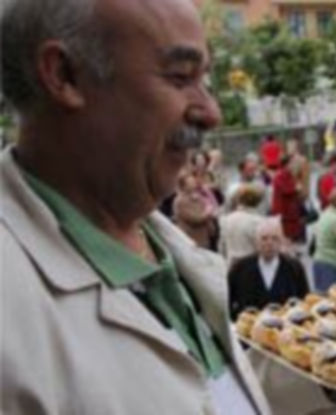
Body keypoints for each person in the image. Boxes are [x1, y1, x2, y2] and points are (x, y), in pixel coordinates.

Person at [0, 0, 271, 412]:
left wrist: (320, 375)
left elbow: (203, 392)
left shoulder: (161, 240)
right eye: (181, 77)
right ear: (64, 75)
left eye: (205, 80)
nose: (211, 112)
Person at [228, 218, 309, 319]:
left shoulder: (294, 267)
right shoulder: (240, 268)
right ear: (256, 242)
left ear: (281, 241)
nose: (269, 243)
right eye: (264, 238)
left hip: (284, 328)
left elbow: (305, 301)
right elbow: (228, 299)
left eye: (275, 238)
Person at [219, 185, 267, 265]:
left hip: (231, 264)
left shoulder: (226, 220)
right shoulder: (259, 221)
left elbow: (222, 246)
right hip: (251, 266)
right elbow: (261, 248)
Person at [173, 170, 218, 250]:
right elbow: (195, 219)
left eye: (193, 182)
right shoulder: (180, 201)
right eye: (190, 183)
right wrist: (208, 213)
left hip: (204, 238)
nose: (194, 184)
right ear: (184, 185)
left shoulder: (197, 197)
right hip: (192, 239)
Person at [270, 155, 305, 244]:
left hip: (291, 213)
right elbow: (286, 190)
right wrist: (296, 188)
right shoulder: (280, 175)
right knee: (285, 238)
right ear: (287, 164)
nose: (295, 165)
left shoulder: (290, 175)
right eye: (293, 163)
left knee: (292, 238)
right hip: (284, 213)